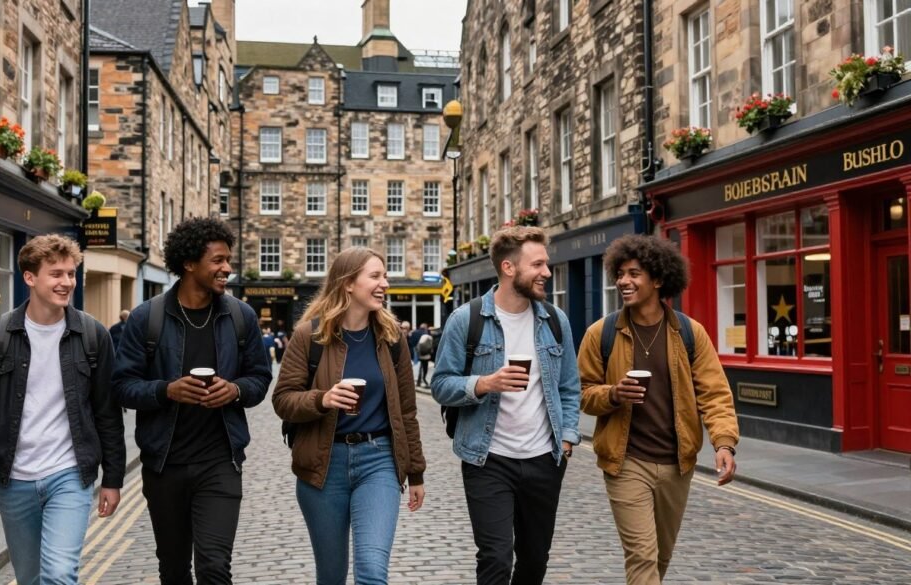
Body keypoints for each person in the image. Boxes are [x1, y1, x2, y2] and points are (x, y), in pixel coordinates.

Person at [0, 234, 125, 584]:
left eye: (71, 274)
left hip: (70, 474)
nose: (66, 283)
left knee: (60, 573)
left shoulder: (92, 335)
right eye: (56, 274)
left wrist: (113, 478)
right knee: (29, 577)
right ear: (30, 278)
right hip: (14, 477)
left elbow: (108, 413)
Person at [113, 218, 272, 584]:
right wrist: (166, 390)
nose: (227, 268)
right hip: (164, 464)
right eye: (217, 260)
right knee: (173, 569)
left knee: (215, 567)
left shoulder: (240, 317)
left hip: (220, 461)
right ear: (188, 263)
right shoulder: (146, 318)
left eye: (228, 260)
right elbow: (122, 385)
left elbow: (260, 379)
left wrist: (234, 390)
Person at [577, 234, 739, 584]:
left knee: (661, 556)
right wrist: (613, 394)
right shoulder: (600, 334)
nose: (623, 281)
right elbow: (581, 393)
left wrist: (723, 443)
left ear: (659, 280)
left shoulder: (689, 333)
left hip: (676, 465)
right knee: (642, 556)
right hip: (626, 462)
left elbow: (715, 394)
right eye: (620, 273)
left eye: (634, 273)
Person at [431, 226, 580, 585]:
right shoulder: (466, 319)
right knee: (496, 559)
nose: (547, 271)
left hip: (544, 459)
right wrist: (483, 384)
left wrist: (567, 438)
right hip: (488, 460)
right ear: (510, 268)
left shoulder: (555, 321)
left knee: (534, 561)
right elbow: (440, 384)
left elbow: (569, 387)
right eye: (539, 264)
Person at [273, 246, 426, 585]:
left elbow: (406, 410)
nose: (384, 283)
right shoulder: (308, 335)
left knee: (372, 571)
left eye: (385, 276)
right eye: (375, 276)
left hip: (379, 461)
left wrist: (415, 472)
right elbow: (283, 400)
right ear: (348, 284)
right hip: (323, 467)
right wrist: (322, 398)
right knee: (331, 576)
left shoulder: (391, 338)